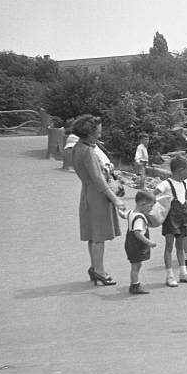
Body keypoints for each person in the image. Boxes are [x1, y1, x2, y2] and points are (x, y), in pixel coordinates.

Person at [71, 114, 126, 286]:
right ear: (90, 132)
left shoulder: (79, 146)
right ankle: (100, 272)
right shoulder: (88, 151)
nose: (100, 134)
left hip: (87, 191)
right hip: (96, 194)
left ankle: (95, 268)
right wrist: (115, 199)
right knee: (99, 236)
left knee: (93, 235)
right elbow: (98, 179)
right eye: (97, 131)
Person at [154, 154, 187, 287]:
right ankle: (169, 275)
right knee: (169, 246)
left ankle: (183, 273)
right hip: (171, 217)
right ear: (180, 170)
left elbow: (185, 202)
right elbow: (152, 195)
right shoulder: (166, 184)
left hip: (183, 216)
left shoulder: (185, 184)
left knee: (180, 246)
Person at [121, 189, 158, 294]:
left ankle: (135, 284)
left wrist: (119, 210)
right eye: (151, 206)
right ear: (143, 204)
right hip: (136, 244)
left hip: (130, 243)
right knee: (135, 265)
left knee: (136, 264)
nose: (151, 209)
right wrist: (149, 242)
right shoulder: (140, 218)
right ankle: (135, 285)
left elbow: (123, 215)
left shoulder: (131, 212)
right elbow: (137, 233)